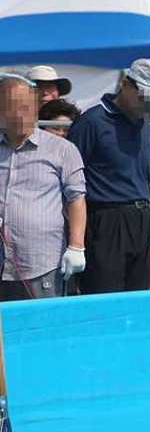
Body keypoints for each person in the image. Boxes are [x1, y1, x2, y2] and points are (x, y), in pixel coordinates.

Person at [68, 59, 150, 294]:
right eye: (143, 95)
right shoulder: (91, 122)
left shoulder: (143, 123)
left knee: (138, 298)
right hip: (105, 221)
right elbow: (70, 178)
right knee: (104, 295)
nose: (148, 103)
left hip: (141, 218)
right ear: (125, 84)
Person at [0, 74, 86, 300]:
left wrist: (77, 247)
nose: (21, 113)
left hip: (42, 262)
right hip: (2, 264)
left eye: (26, 106)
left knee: (43, 326)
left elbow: (76, 198)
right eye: (12, 107)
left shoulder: (62, 149)